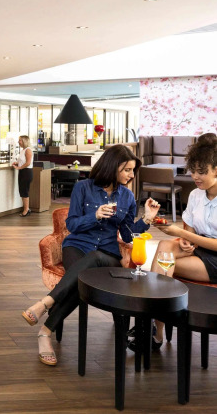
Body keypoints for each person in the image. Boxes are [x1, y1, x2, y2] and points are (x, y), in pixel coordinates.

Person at [21, 144, 160, 366]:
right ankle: (45, 333)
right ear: (113, 166)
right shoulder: (83, 187)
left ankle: (45, 304)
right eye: (127, 170)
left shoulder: (127, 197)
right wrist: (94, 215)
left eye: (133, 170)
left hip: (107, 254)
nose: (131, 175)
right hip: (77, 246)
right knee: (81, 282)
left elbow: (127, 234)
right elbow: (72, 225)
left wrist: (147, 218)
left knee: (94, 258)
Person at [147, 133, 217, 346]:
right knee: (164, 245)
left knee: (165, 264)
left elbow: (188, 233)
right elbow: (190, 229)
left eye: (202, 172)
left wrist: (182, 234)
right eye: (193, 170)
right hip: (199, 248)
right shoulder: (196, 195)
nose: (195, 176)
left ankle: (154, 326)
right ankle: (156, 325)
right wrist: (187, 240)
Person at [12, 135, 34, 217]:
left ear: (24, 141)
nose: (18, 142)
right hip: (22, 172)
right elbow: (23, 161)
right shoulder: (23, 150)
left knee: (24, 191)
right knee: (22, 191)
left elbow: (28, 163)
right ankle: (26, 209)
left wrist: (19, 167)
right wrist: (17, 163)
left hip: (26, 172)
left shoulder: (28, 150)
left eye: (20, 140)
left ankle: (26, 210)